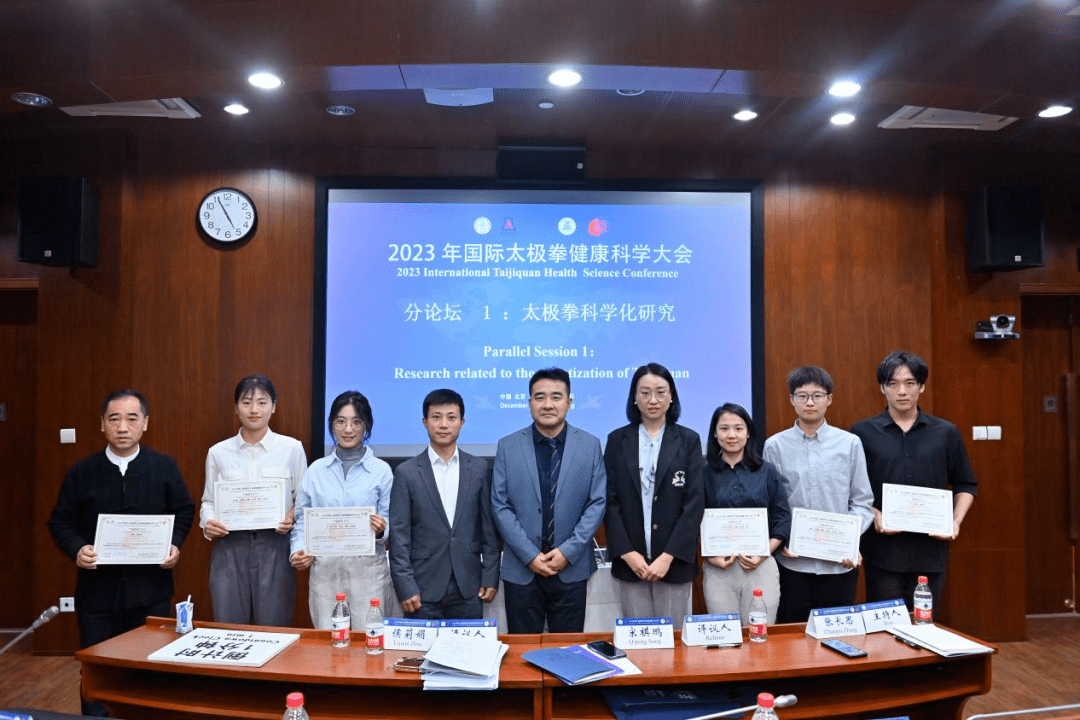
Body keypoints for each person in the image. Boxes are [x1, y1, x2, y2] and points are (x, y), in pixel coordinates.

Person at [48, 389, 195, 716]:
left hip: (151, 592)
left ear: (145, 423)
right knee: (98, 672)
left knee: (148, 673)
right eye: (114, 419)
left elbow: (184, 510)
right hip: (97, 596)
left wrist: (174, 544)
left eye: (132, 418)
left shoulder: (164, 467)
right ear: (102, 424)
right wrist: (77, 548)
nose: (123, 427)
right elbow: (60, 521)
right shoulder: (82, 472)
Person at [851, 350, 978, 609]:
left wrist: (955, 522)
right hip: (882, 551)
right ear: (882, 388)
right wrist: (873, 514)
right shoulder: (861, 433)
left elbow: (966, 483)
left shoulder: (945, 433)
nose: (902, 391)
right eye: (893, 384)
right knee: (885, 630)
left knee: (925, 626)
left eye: (910, 383)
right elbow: (850, 490)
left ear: (922, 387)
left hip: (930, 550)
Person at [491, 367, 607, 633]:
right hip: (521, 569)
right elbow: (500, 504)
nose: (547, 405)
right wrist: (530, 555)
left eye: (556, 397)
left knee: (568, 654)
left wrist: (568, 551)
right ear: (529, 402)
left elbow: (597, 502)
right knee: (523, 656)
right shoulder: (508, 446)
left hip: (572, 567)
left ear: (569, 401)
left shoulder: (590, 445)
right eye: (539, 397)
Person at [763, 366, 875, 623]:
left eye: (817, 395)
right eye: (802, 396)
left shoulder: (849, 444)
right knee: (793, 639)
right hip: (793, 562)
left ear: (829, 399)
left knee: (835, 636)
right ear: (792, 400)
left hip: (839, 564)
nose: (810, 402)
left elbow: (862, 502)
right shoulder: (775, 446)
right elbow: (771, 505)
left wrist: (848, 540)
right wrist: (782, 541)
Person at [603, 363, 705, 628]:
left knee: (673, 644)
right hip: (630, 563)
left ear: (672, 397)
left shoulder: (689, 440)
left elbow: (694, 504)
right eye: (645, 392)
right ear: (634, 397)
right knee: (637, 640)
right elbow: (609, 502)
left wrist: (667, 556)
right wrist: (627, 553)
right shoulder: (617, 440)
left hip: (673, 564)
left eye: (661, 392)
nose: (653, 400)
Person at [200, 374, 307, 626]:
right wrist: (209, 522)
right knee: (227, 628)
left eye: (262, 402)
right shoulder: (218, 452)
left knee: (274, 629)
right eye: (247, 402)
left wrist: (290, 517)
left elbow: (303, 500)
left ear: (274, 407)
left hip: (274, 547)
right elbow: (208, 500)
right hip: (229, 548)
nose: (254, 409)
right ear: (236, 408)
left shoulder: (292, 448)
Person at [389, 388, 501, 619]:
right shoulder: (406, 473)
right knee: (420, 655)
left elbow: (488, 529)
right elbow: (399, 536)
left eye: (451, 417)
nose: (443, 424)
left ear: (462, 422)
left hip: (469, 585)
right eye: (436, 417)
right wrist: (405, 585)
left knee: (467, 653)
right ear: (425, 422)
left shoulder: (478, 469)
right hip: (421, 587)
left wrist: (490, 574)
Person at [290, 391, 394, 629]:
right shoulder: (316, 471)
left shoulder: (382, 471)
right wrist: (298, 550)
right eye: (341, 421)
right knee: (329, 646)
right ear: (332, 424)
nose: (348, 429)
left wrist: (381, 529)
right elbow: (302, 521)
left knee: (369, 643)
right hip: (325, 574)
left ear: (366, 426)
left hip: (368, 575)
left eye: (357, 422)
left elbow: (390, 522)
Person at [701, 403, 791, 624]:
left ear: (748, 432)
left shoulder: (767, 471)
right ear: (714, 432)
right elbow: (692, 520)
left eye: (738, 428)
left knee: (759, 634)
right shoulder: (702, 473)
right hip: (718, 568)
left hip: (760, 566)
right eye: (724, 428)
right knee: (725, 638)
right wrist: (710, 557)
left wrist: (764, 552)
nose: (731, 435)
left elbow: (782, 516)